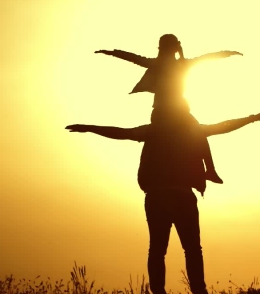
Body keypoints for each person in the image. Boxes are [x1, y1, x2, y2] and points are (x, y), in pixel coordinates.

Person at [65, 108, 260, 294]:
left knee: (158, 250)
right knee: (191, 250)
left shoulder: (152, 131)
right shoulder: (190, 131)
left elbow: (121, 133)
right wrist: (251, 118)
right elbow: (221, 127)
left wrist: (89, 127)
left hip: (157, 198)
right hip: (181, 196)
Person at [95, 34, 242, 184]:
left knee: (198, 131)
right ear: (174, 48)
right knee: (198, 132)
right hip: (167, 112)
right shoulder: (169, 64)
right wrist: (111, 52)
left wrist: (226, 53)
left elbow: (206, 58)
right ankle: (210, 170)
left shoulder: (167, 64)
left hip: (172, 111)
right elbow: (132, 57)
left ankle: (210, 171)